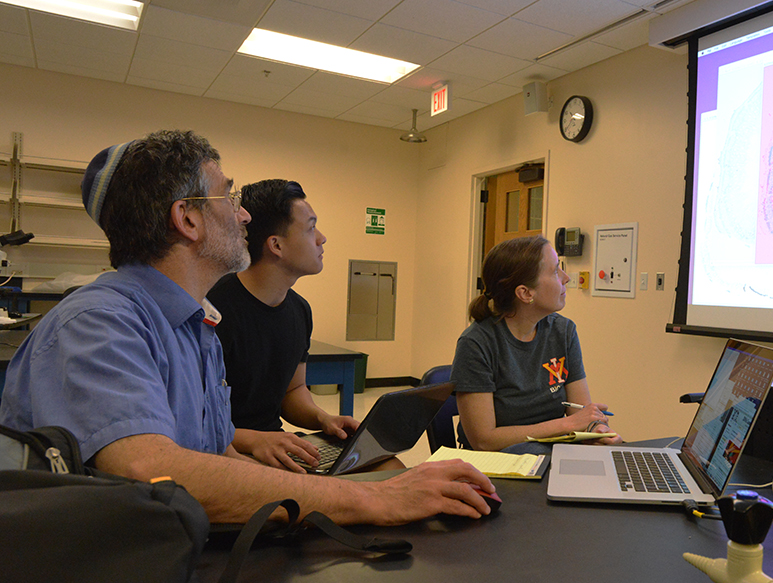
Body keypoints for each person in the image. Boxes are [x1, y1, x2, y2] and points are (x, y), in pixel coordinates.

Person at [0, 129, 495, 524]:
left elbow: (219, 458)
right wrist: (373, 502)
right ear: (187, 220)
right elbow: (148, 471)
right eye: (227, 196)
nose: (242, 213)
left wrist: (353, 488)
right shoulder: (100, 322)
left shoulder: (196, 326)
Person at [207, 179, 359, 473]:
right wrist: (256, 441)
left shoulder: (299, 310)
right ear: (276, 245)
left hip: (277, 447)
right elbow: (195, 421)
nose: (322, 238)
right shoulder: (214, 311)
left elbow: (293, 391)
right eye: (311, 228)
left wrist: (322, 419)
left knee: (386, 464)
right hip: (226, 454)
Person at [451, 235, 622, 453]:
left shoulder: (563, 331)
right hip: (498, 464)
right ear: (525, 293)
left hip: (551, 453)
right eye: (554, 271)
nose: (566, 277)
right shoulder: (476, 344)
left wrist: (595, 428)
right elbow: (484, 441)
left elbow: (579, 412)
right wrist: (567, 425)